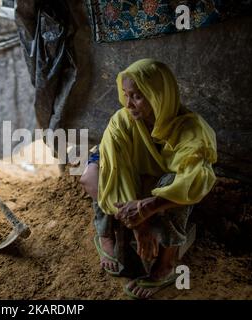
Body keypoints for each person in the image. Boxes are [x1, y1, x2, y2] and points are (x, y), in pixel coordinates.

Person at [80, 59, 217, 299]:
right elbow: (117, 170)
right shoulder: (122, 121)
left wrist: (146, 206)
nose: (128, 103)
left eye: (137, 96)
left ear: (158, 96)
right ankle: (105, 234)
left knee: (173, 184)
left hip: (158, 178)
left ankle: (167, 262)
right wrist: (139, 225)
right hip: (136, 174)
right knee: (97, 176)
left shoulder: (192, 130)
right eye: (125, 94)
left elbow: (194, 181)